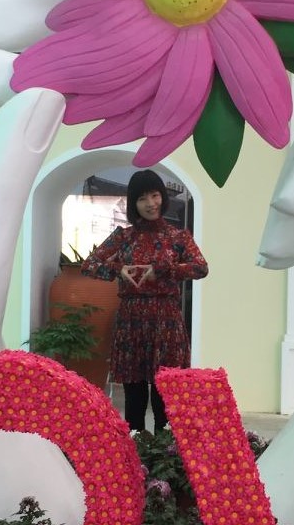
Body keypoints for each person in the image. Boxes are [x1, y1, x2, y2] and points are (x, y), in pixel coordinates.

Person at [81, 169, 208, 432]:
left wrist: (161, 270)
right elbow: (89, 265)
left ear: (162, 196)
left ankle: (163, 449)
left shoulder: (178, 237)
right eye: (142, 198)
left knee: (165, 394)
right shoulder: (123, 236)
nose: (151, 203)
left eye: (155, 195)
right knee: (134, 396)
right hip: (132, 322)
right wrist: (120, 269)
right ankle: (135, 448)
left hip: (166, 322)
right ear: (133, 203)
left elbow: (200, 268)